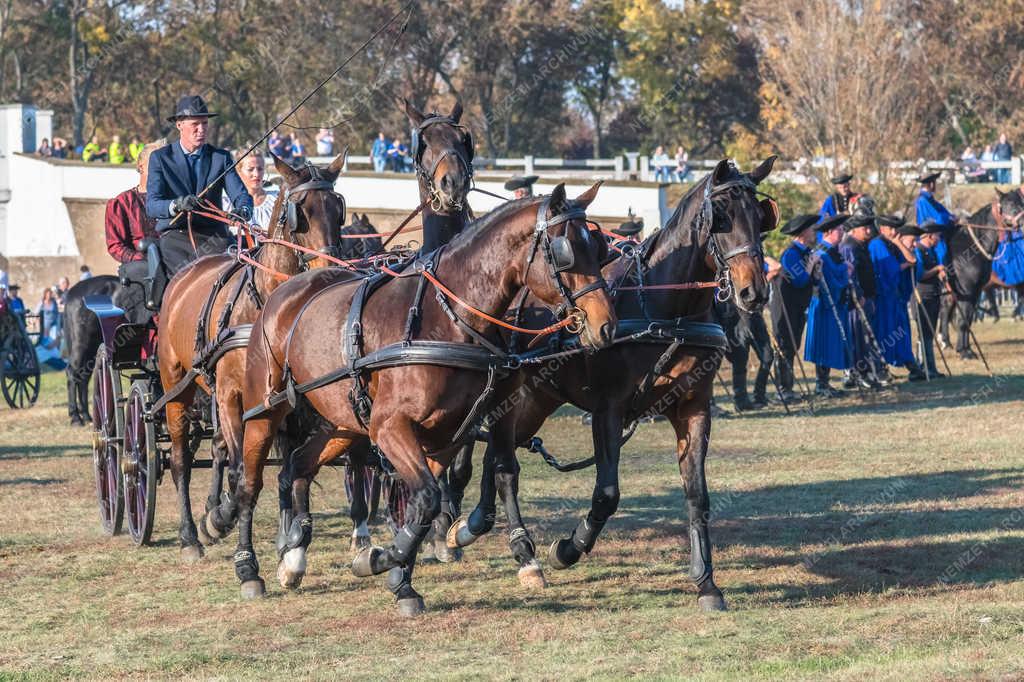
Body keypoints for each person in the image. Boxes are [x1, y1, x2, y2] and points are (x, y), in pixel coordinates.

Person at [146, 95, 252, 282]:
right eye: (195, 124)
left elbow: (241, 195)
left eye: (205, 123)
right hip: (176, 237)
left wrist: (243, 210)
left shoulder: (221, 157)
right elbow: (152, 205)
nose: (201, 129)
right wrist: (176, 205)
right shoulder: (160, 158)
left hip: (216, 237)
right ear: (179, 124)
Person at [769, 214, 819, 402]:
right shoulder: (790, 254)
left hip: (798, 308)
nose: (814, 232)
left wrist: (816, 270)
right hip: (784, 308)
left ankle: (788, 388)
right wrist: (811, 265)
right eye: (811, 229)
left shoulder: (806, 253)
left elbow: (810, 281)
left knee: (793, 345)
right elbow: (799, 280)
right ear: (803, 233)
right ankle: (782, 389)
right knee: (784, 347)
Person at [869, 216, 924, 380]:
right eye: (890, 228)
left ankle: (910, 363)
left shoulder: (892, 244)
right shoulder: (877, 244)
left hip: (895, 297)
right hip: (882, 297)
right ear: (882, 229)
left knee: (901, 332)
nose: (894, 232)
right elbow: (891, 268)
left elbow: (913, 260)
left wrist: (899, 244)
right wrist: (906, 262)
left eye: (896, 229)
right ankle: (880, 368)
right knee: (885, 333)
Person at [804, 213, 853, 397]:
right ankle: (820, 384)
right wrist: (846, 270)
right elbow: (832, 278)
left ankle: (825, 382)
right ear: (830, 232)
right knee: (823, 343)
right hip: (824, 306)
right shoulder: (821, 252)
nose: (842, 233)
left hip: (834, 305)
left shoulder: (833, 251)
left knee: (830, 343)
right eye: (840, 230)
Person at [839, 213, 885, 389]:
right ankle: (858, 373)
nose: (868, 230)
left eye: (869, 227)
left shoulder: (861, 245)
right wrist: (859, 294)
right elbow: (850, 276)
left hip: (866, 299)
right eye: (865, 228)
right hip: (856, 303)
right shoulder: (849, 247)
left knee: (864, 339)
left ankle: (865, 371)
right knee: (858, 339)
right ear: (855, 230)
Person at [716, 294, 775, 411]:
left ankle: (759, 396)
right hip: (736, 319)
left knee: (768, 356)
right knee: (740, 361)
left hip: (756, 317)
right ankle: (740, 401)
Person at [106, 142, 160, 264]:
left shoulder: (175, 199)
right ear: (141, 167)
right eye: (155, 164)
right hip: (141, 268)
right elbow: (116, 246)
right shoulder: (122, 203)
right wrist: (140, 258)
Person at [913, 219, 947, 377]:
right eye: (937, 236)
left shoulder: (932, 251)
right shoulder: (918, 250)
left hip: (933, 295)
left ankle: (931, 368)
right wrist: (937, 269)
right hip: (922, 296)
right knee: (923, 333)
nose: (939, 239)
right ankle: (922, 367)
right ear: (929, 236)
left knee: (930, 333)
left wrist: (939, 273)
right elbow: (920, 275)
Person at [914, 171, 956, 263]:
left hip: (935, 233)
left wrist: (952, 216)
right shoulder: (923, 200)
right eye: (935, 182)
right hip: (930, 235)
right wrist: (950, 218)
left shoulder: (929, 199)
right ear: (932, 184)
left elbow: (943, 211)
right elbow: (938, 219)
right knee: (942, 254)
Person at [230, 153, 278, 229]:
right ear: (238, 172)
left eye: (260, 169)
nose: (256, 174)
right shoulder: (227, 203)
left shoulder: (276, 200)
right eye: (250, 169)